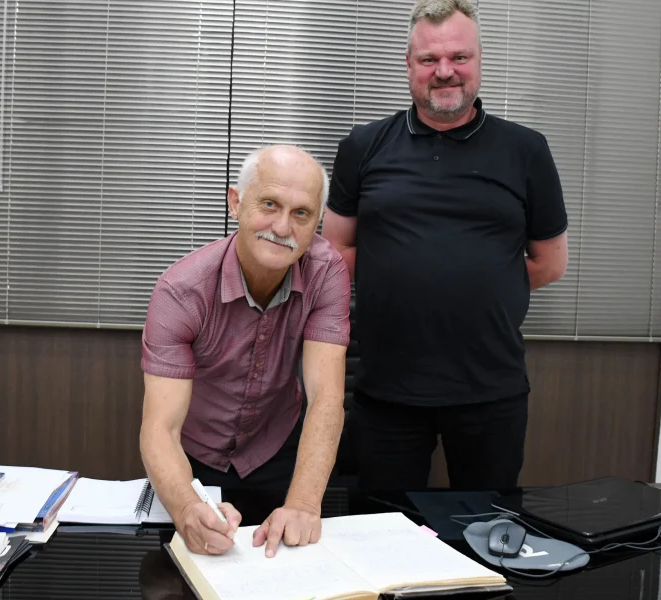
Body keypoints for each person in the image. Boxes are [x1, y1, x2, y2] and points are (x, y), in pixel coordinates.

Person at [321, 0, 569, 493]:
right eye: (429, 59)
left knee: (485, 528)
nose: (445, 71)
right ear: (408, 65)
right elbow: (335, 253)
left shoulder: (526, 150)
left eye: (459, 57)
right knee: (382, 528)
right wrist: (405, 279)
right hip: (387, 389)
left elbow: (549, 263)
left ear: (478, 60)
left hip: (491, 390)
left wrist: (478, 284)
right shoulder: (363, 146)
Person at [139, 145, 352, 558]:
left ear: (317, 224)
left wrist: (303, 504)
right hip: (192, 456)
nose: (283, 227)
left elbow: (326, 398)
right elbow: (160, 428)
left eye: (301, 213)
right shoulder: (180, 292)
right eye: (269, 204)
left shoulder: (327, 272)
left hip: (277, 449)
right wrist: (186, 506)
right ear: (236, 202)